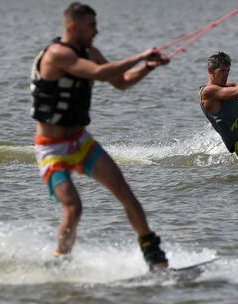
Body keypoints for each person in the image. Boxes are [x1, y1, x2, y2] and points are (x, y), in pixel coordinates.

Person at [30, 2, 169, 270]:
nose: (97, 31)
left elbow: (120, 81)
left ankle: (155, 259)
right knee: (74, 207)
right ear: (74, 26)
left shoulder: (90, 51)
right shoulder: (56, 54)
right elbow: (98, 73)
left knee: (124, 191)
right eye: (91, 25)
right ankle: (61, 263)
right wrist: (141, 55)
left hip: (81, 142)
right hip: (51, 148)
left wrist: (148, 66)